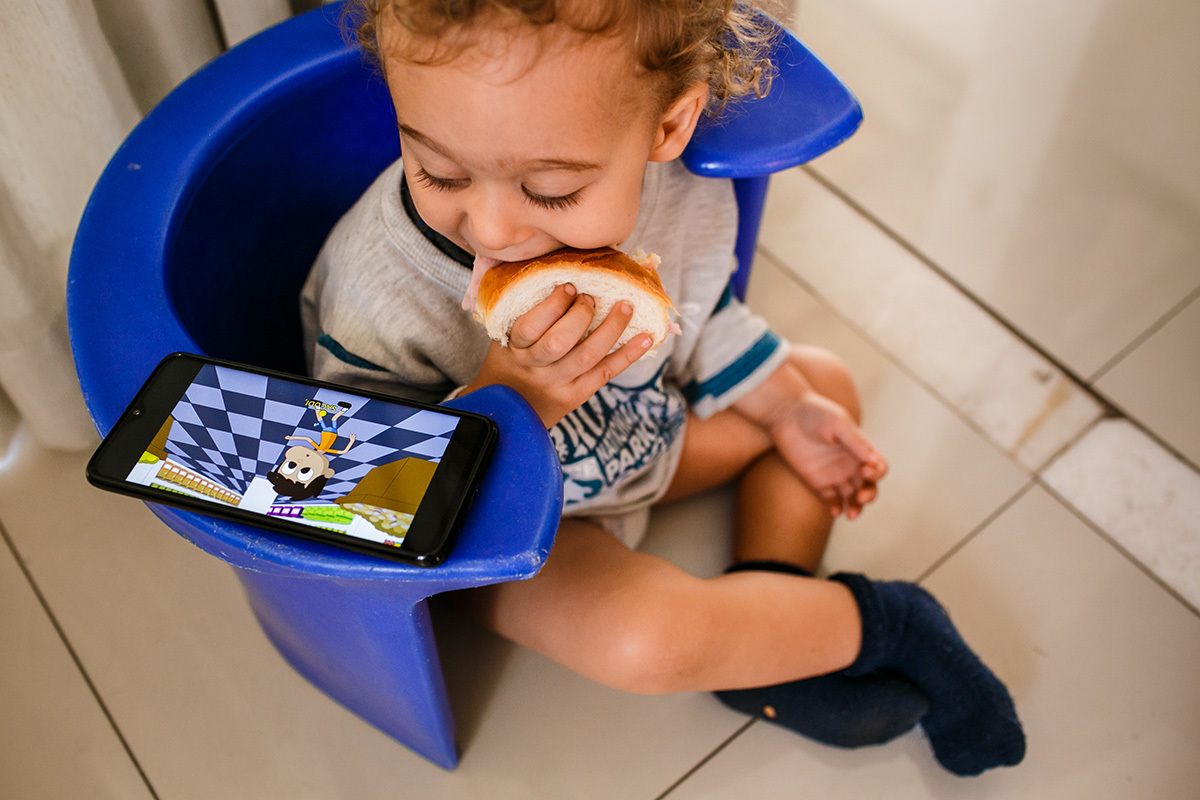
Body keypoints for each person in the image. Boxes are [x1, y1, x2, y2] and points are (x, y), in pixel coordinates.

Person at [300, 0, 1024, 776]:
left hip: (644, 440)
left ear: (667, 129)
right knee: (645, 641)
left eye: (549, 191)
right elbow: (361, 491)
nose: (494, 228)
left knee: (822, 386)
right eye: (438, 170)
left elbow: (701, 320)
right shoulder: (380, 288)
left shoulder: (681, 193)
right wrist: (513, 398)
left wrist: (784, 405)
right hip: (515, 529)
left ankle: (770, 614)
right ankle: (888, 624)